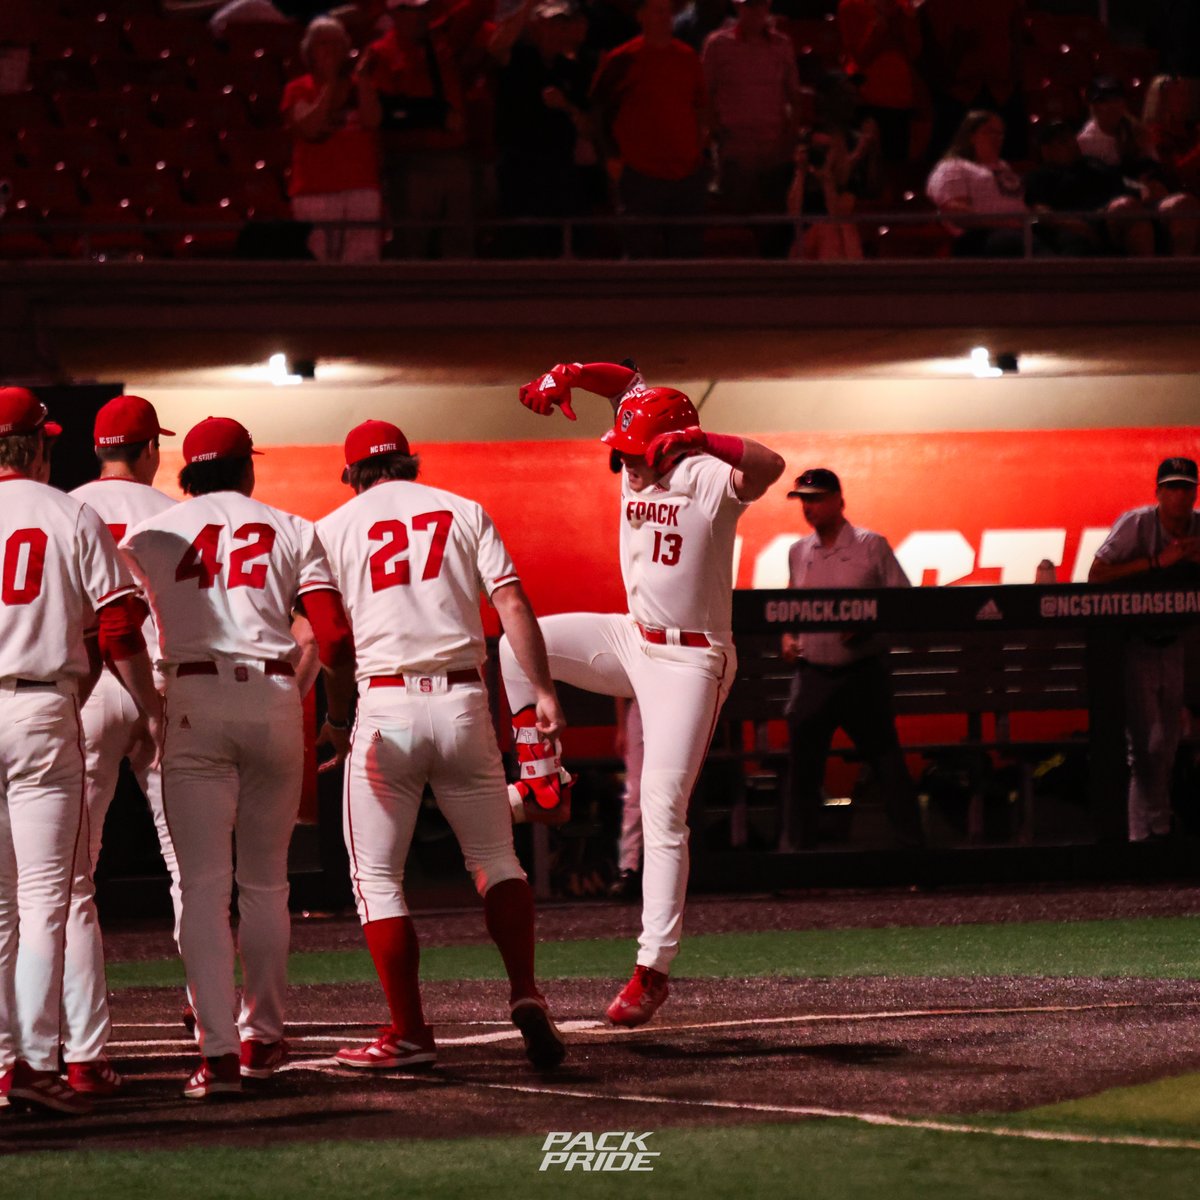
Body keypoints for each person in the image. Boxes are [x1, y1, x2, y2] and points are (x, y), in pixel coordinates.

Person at [502, 361, 785, 1026]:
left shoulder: (706, 475)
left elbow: (771, 465)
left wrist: (700, 441)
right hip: (635, 636)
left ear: (670, 443)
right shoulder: (642, 423)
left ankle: (652, 969)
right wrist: (568, 374)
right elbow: (624, 379)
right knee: (519, 642)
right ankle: (543, 780)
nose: (623, 462)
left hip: (693, 658)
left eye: (633, 452)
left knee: (662, 805)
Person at [315, 420, 568, 1071]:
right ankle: (526, 991)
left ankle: (408, 1032)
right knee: (496, 859)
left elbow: (330, 643)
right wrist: (540, 688)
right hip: (460, 699)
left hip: (388, 705)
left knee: (376, 877)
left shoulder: (333, 527)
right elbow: (511, 601)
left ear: (353, 474)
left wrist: (336, 719)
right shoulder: (462, 509)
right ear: (409, 462)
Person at [120, 417, 357, 1100]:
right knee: (266, 884)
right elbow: (331, 637)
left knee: (201, 886)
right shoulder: (293, 526)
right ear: (246, 468)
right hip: (275, 696)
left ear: (186, 471)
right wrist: (329, 712)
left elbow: (115, 628)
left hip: (191, 695)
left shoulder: (148, 535)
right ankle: (263, 1035)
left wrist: (146, 708)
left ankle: (218, 1052)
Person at [0, 386, 162, 1117]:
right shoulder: (69, 511)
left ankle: (6, 1062)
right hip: (40, 710)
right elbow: (121, 627)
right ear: (37, 446)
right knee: (48, 898)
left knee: (2, 906)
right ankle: (41, 1063)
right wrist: (149, 706)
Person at [61, 395, 180, 1098]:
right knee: (191, 866)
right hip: (163, 680)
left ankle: (78, 1047)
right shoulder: (174, 510)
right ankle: (213, 1020)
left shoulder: (65, 507)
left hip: (84, 686)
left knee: (71, 878)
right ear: (148, 449)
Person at [779, 468, 923, 851]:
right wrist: (789, 638)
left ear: (840, 500)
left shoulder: (871, 545)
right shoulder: (798, 552)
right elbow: (790, 610)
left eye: (817, 498)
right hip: (812, 674)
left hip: (861, 672)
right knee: (802, 772)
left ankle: (915, 857)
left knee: (888, 764)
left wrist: (868, 627)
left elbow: (903, 604)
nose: (809, 507)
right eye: (804, 499)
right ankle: (797, 861)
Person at [1088, 456, 1200, 842]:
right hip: (1135, 644)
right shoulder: (1137, 524)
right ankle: (1141, 838)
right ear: (1158, 493)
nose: (1179, 496)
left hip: (1176, 646)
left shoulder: (1199, 529)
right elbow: (1097, 574)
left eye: (1186, 487)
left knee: (1166, 749)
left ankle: (1160, 831)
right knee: (1145, 747)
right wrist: (1156, 561)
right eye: (1171, 487)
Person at [590, 0, 710, 258]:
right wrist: (611, 158)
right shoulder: (623, 59)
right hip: (640, 173)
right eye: (658, 11)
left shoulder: (687, 57)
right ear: (640, 16)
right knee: (640, 255)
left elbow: (700, 106)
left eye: (667, 11)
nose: (665, 17)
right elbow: (599, 110)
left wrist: (698, 149)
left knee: (687, 257)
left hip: (685, 173)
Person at [702, 0, 803, 257]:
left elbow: (794, 96)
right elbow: (704, 97)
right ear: (738, 7)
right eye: (749, 5)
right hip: (735, 151)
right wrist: (719, 135)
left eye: (760, 5)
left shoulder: (782, 45)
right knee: (738, 226)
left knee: (774, 227)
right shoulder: (718, 45)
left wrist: (789, 139)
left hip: (774, 152)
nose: (755, 11)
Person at [282, 15, 384, 263]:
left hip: (361, 188)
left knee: (363, 264)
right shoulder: (298, 88)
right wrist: (328, 85)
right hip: (315, 191)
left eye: (337, 43)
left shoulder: (360, 85)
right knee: (318, 264)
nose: (331, 50)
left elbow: (373, 121)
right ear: (309, 52)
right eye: (323, 44)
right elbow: (310, 128)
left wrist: (362, 82)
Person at [926, 110, 1029, 257]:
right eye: (989, 132)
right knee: (1012, 243)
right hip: (978, 237)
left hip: (1018, 231)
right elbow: (958, 214)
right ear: (971, 136)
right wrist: (1005, 223)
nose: (997, 138)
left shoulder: (1003, 166)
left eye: (1000, 133)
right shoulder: (953, 167)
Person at [608, 695, 644, 900]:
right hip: (639, 706)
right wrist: (622, 727)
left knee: (670, 793)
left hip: (672, 703)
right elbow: (621, 687)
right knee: (635, 792)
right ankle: (628, 868)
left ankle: (672, 868)